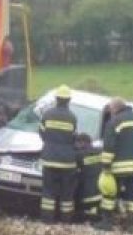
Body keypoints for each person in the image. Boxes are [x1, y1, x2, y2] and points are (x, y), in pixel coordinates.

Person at [99, 98, 133, 227]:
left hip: (119, 166)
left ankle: (106, 223)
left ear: (114, 109)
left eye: (110, 110)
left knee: (109, 193)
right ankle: (132, 225)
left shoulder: (114, 122)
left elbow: (109, 146)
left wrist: (105, 166)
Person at [38, 85, 78, 223]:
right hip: (67, 162)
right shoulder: (72, 117)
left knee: (48, 191)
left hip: (49, 159)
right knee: (67, 192)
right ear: (68, 100)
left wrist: (50, 143)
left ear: (56, 99)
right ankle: (66, 220)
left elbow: (42, 134)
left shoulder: (47, 115)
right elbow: (73, 138)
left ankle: (47, 220)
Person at [75, 133, 102, 222]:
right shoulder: (100, 151)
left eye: (77, 143)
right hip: (102, 194)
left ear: (82, 143)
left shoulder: (79, 155)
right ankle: (94, 213)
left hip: (87, 196)